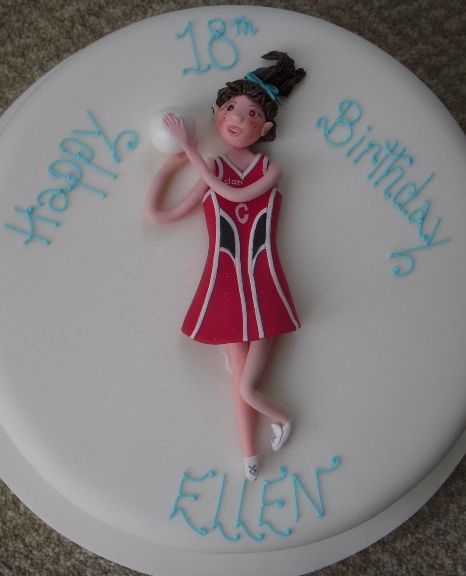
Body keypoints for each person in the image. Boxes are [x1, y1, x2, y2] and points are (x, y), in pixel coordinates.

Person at [146, 52, 305, 481]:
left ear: (265, 129)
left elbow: (233, 195)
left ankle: (283, 418)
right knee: (237, 379)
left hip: (263, 282)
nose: (238, 118)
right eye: (232, 107)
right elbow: (160, 214)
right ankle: (249, 456)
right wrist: (173, 163)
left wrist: (188, 148)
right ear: (217, 112)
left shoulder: (270, 168)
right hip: (223, 287)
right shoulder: (212, 165)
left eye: (252, 113)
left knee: (247, 385)